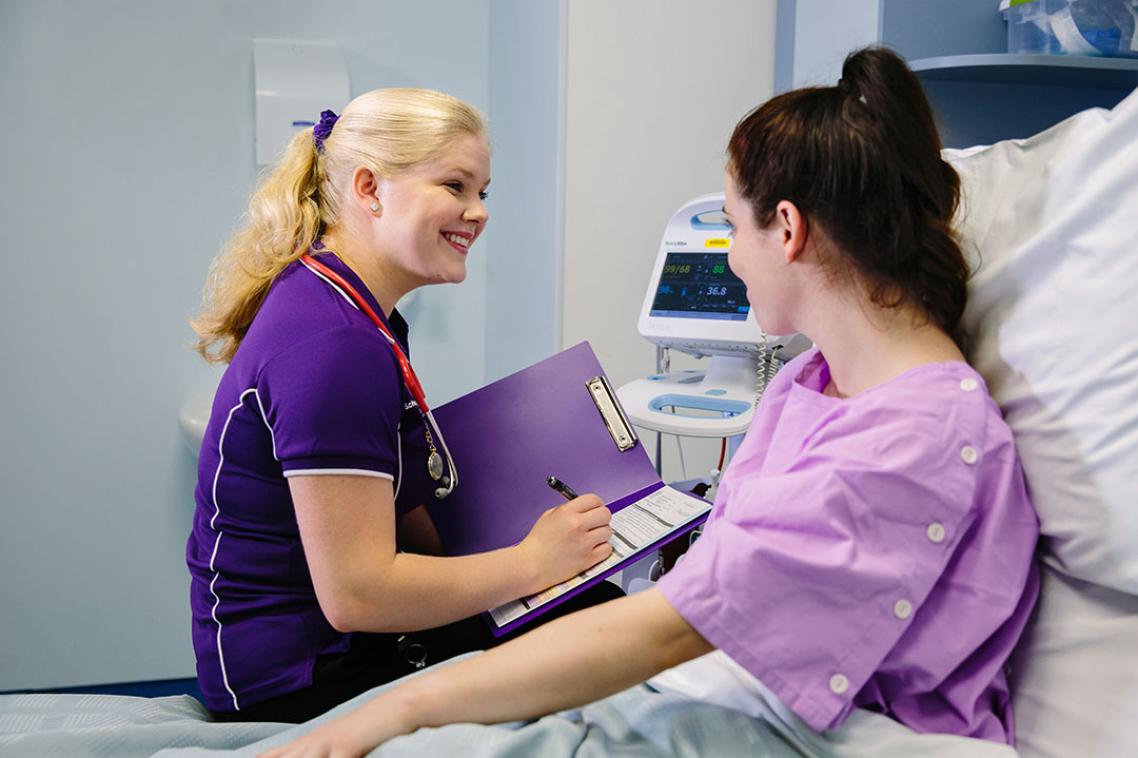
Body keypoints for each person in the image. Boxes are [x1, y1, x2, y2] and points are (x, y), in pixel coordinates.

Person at [262, 48, 1041, 757]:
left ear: (790, 231)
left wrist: (402, 710)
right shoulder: (810, 386)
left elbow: (669, 631)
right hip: (725, 693)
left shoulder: (921, 435)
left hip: (816, 729)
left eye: (734, 228)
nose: (732, 258)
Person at [186, 88, 620, 724]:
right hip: (296, 679)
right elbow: (357, 595)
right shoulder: (334, 346)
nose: (478, 212)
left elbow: (402, 505)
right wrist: (531, 562)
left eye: (483, 192)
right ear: (369, 188)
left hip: (311, 648)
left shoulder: (353, 308)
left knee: (588, 600)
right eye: (455, 185)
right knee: (607, 626)